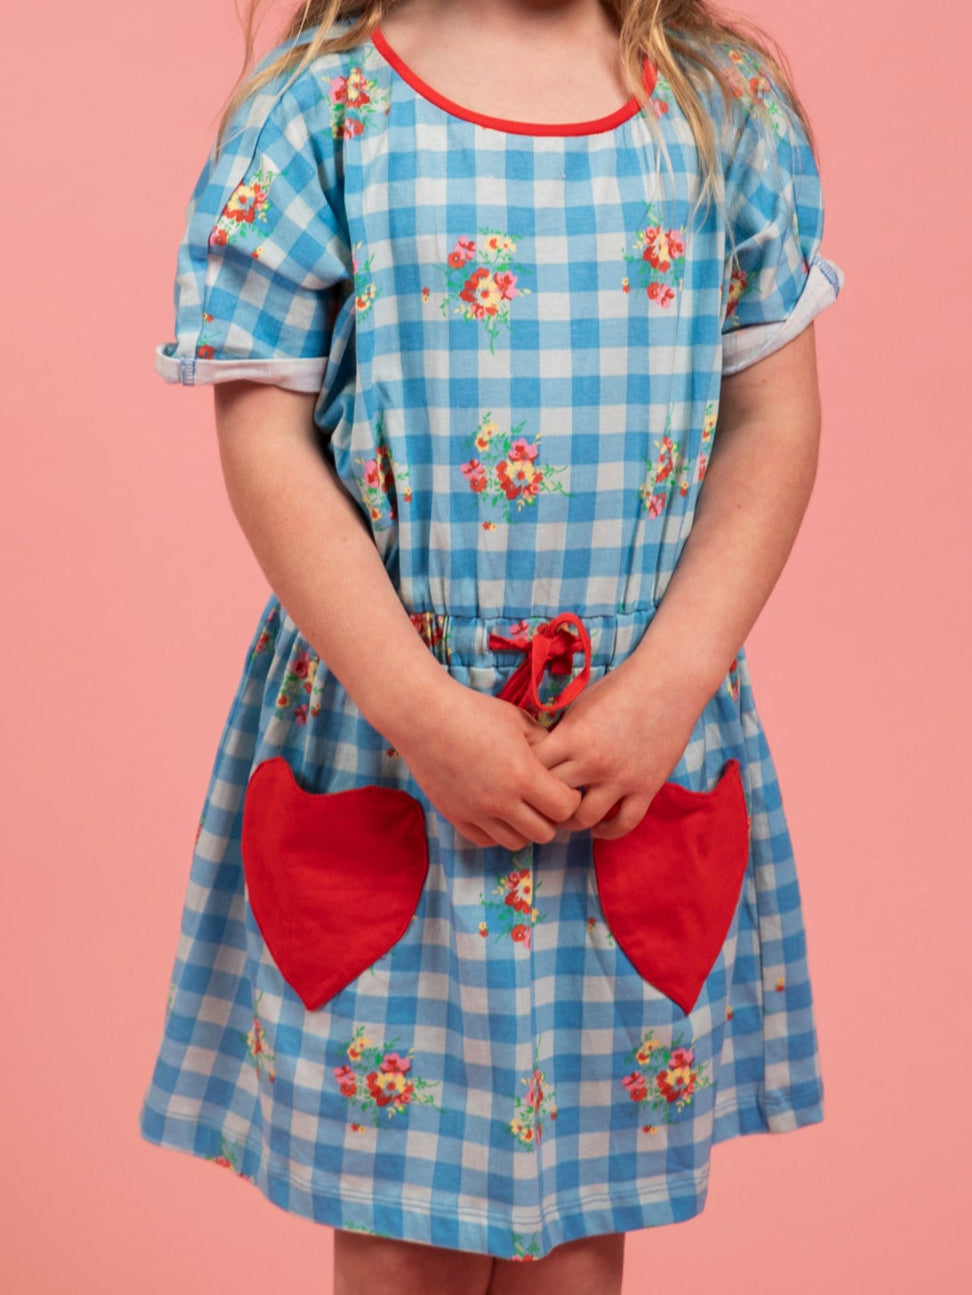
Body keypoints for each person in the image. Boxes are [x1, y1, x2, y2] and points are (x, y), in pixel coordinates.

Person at [138, 0, 844, 1290]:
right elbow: (263, 432)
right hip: (391, 741)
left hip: (631, 739)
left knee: (581, 1226)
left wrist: (672, 681)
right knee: (397, 1223)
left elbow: (772, 420)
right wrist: (416, 704)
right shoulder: (323, 109)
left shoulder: (718, 102)